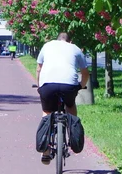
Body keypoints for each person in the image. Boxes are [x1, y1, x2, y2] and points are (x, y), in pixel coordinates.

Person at [35, 32, 89, 164]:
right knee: (70, 106)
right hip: (69, 85)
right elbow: (85, 72)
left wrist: (39, 86)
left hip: (47, 84)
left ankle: (45, 150)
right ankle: (72, 132)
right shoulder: (75, 48)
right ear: (70, 41)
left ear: (57, 39)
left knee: (47, 112)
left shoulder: (47, 46)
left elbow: (38, 69)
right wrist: (81, 85)